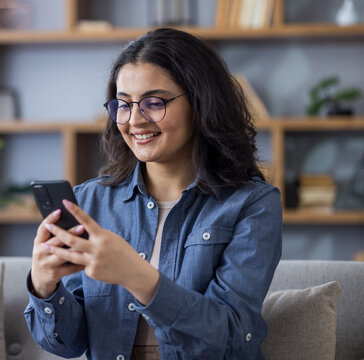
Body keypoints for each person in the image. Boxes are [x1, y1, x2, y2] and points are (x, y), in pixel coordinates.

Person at [24, 27, 282, 360]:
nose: (135, 120)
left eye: (154, 103)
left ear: (201, 103)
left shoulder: (251, 203)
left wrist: (136, 274)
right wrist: (44, 286)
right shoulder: (91, 201)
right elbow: (69, 343)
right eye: (124, 104)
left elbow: (230, 338)